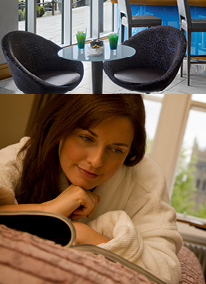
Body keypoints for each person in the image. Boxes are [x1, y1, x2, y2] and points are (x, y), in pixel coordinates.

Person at [0, 95, 182, 284]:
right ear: (61, 127)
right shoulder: (24, 156)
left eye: (116, 150)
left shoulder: (145, 178)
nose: (96, 161)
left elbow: (167, 270)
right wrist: (48, 211)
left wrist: (85, 235)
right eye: (87, 138)